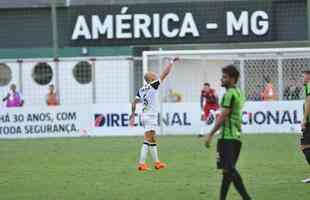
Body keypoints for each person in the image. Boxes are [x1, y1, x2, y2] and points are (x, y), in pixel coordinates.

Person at [204, 65, 252, 200]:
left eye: (225, 77)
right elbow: (236, 114)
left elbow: (222, 117)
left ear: (232, 79)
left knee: (229, 169)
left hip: (227, 138)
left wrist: (210, 135)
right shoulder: (239, 92)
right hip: (236, 138)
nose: (222, 79)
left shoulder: (229, 94)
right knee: (227, 172)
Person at [129, 57, 179, 171]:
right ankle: (141, 164)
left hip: (145, 115)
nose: (155, 75)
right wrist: (171, 62)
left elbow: (134, 102)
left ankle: (157, 163)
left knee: (152, 139)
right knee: (147, 139)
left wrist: (132, 115)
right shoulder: (153, 85)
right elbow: (165, 73)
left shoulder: (141, 89)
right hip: (150, 116)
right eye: (153, 74)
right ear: (150, 78)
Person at [300, 70, 310, 183]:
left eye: (303, 76)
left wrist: (304, 119)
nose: (302, 78)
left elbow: (309, 102)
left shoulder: (309, 85)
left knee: (304, 146)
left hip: (309, 122)